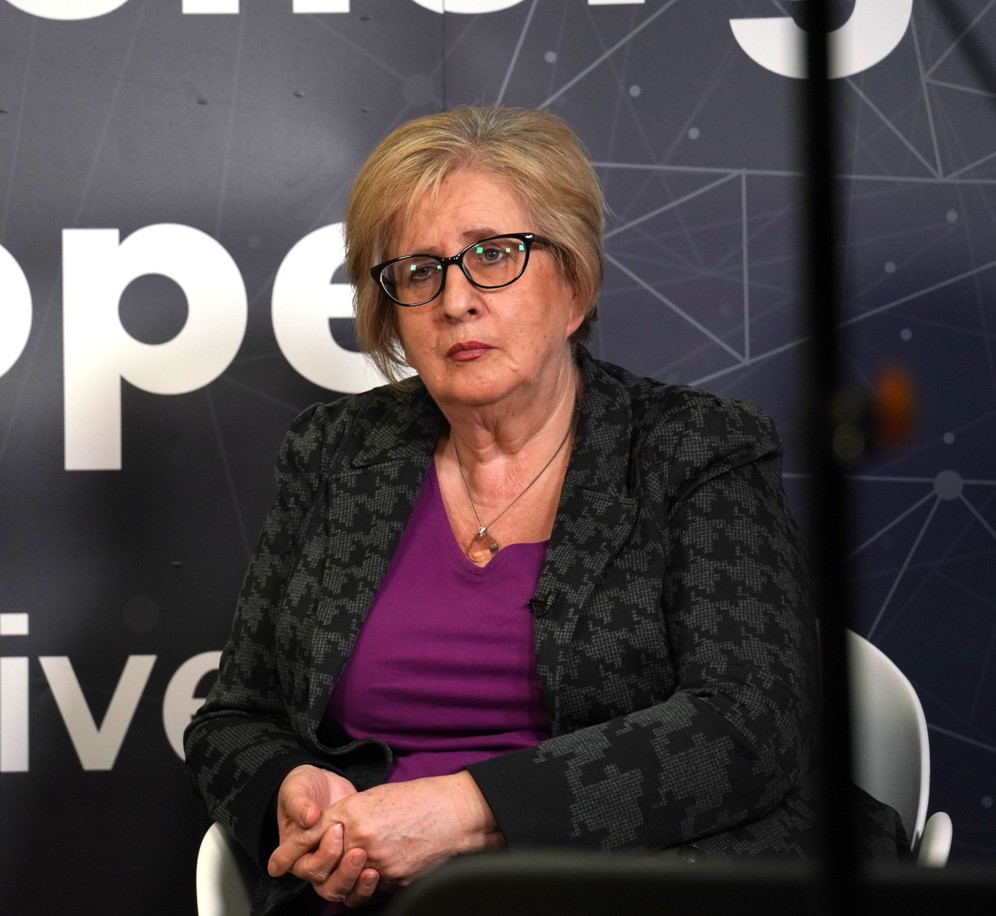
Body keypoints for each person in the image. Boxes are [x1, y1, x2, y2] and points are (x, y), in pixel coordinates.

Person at [184, 106, 893, 915]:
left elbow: (751, 724)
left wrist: (468, 813)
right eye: (418, 271)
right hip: (381, 897)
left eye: (494, 255)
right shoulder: (335, 454)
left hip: (643, 886)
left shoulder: (694, 447)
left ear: (574, 285)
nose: (455, 300)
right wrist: (292, 794)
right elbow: (233, 718)